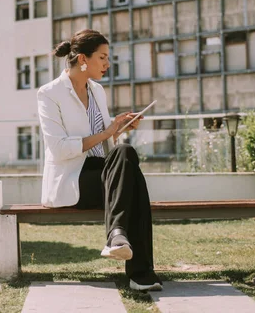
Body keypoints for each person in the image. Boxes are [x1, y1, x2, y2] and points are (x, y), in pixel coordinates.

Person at [37, 29, 163, 292]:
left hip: (103, 175)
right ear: (83, 58)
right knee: (135, 185)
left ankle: (117, 237)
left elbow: (104, 140)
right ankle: (141, 273)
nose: (108, 64)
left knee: (125, 152)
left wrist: (118, 128)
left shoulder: (97, 91)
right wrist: (107, 132)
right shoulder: (49, 94)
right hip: (73, 179)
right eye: (103, 57)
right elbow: (59, 149)